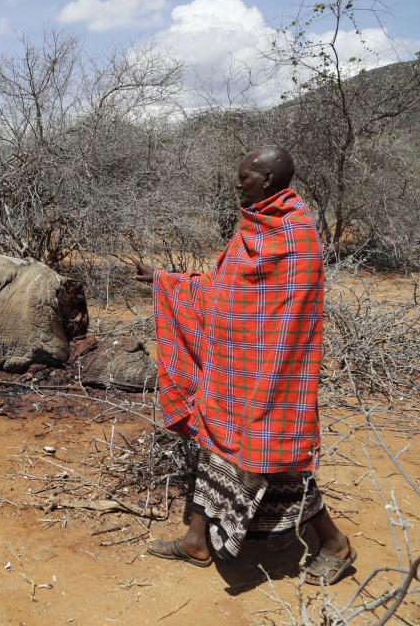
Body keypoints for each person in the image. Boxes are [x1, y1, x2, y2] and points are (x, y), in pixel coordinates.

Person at [132, 145, 355, 585]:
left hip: (273, 377)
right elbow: (222, 293)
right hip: (232, 372)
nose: (237, 183)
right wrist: (164, 280)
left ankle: (333, 542)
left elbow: (287, 315)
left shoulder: (295, 235)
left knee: (278, 465)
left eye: (245, 177)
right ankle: (198, 540)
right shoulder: (251, 230)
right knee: (213, 445)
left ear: (268, 179)